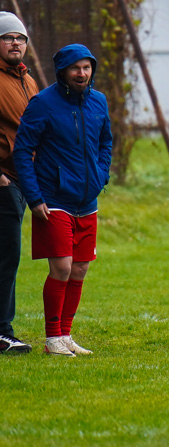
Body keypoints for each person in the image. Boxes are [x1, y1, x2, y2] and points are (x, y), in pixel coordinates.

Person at [13, 43, 112, 357]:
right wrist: (34, 197)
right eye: (75, 68)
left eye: (86, 67)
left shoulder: (99, 101)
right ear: (62, 72)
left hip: (88, 200)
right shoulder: (42, 103)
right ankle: (52, 338)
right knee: (62, 268)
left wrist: (101, 174)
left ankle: (66, 335)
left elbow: (106, 142)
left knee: (80, 269)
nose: (81, 74)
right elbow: (21, 151)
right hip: (53, 200)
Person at [0, 12, 38, 354]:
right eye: (8, 37)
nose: (16, 43)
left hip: (22, 179)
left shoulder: (26, 80)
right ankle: (2, 331)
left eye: (21, 38)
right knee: (6, 255)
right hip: (3, 181)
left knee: (8, 255)